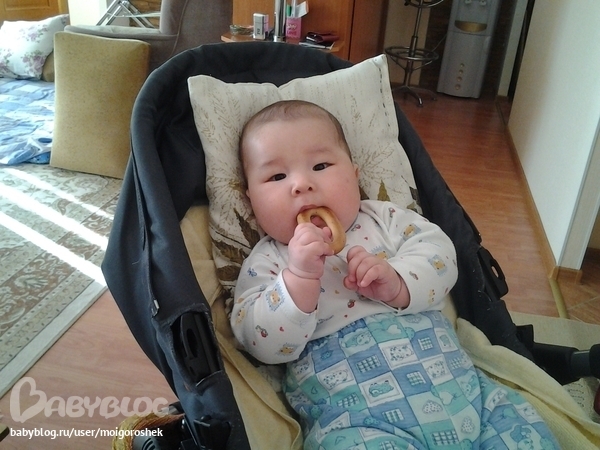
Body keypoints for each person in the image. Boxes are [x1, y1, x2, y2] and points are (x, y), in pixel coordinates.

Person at [231, 100, 559, 449]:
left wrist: (399, 281)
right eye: (277, 176)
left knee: (522, 428)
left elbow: (441, 255)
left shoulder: (384, 219)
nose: (301, 184)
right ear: (251, 198)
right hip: (360, 420)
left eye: (321, 165)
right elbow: (258, 341)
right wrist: (297, 281)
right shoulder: (267, 261)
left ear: (355, 174)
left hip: (465, 393)